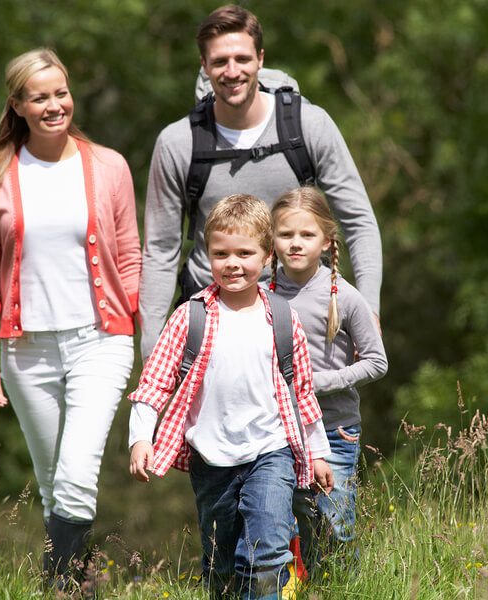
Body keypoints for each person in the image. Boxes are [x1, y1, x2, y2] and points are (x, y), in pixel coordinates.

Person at [0, 48, 141, 588]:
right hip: (25, 350)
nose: (54, 105)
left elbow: (132, 256)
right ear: (18, 105)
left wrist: (144, 332)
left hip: (101, 340)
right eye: (39, 97)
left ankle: (55, 589)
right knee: (50, 487)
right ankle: (79, 585)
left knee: (73, 478)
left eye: (61, 93)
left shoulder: (108, 166)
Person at [139, 4, 382, 359]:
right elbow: (160, 250)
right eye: (220, 62)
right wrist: (152, 348)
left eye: (242, 58)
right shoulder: (178, 143)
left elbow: (358, 221)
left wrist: (368, 311)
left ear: (260, 60)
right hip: (214, 320)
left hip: (303, 316)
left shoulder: (309, 126)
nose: (232, 71)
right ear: (204, 67)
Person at [128, 194, 335, 599]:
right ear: (208, 256)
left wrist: (317, 452)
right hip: (212, 457)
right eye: (221, 253)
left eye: (245, 252)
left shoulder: (281, 316)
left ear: (267, 255)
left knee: (268, 551)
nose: (232, 263)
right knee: (220, 562)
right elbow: (153, 383)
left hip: (271, 451)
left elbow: (301, 392)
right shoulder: (191, 316)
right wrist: (140, 438)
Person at [269, 187, 388, 574]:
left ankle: (339, 588)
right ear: (272, 239)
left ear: (326, 241)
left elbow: (376, 362)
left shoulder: (345, 296)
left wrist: (317, 382)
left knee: (333, 526)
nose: (296, 244)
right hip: (275, 431)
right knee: (282, 525)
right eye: (286, 235)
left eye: (307, 235)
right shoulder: (260, 295)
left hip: (334, 429)